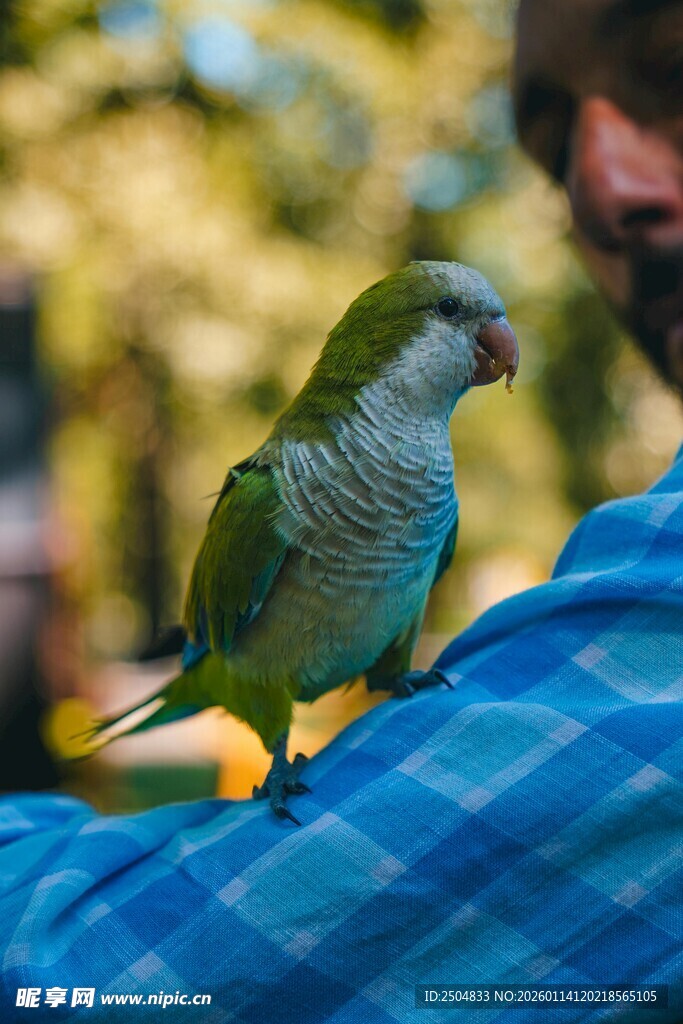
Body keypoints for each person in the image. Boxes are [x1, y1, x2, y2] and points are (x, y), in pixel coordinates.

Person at [1, 0, 682, 1020]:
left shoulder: (455, 509)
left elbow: (121, 963)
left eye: (670, 70)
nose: (596, 189)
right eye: (550, 156)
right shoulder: (272, 493)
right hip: (240, 671)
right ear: (387, 347)